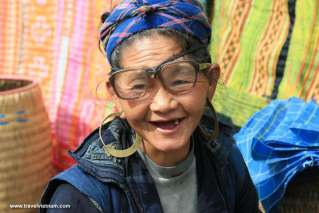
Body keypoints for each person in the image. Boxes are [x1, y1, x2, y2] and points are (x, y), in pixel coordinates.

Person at [40, 0, 260, 212]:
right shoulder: (81, 198)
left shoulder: (226, 160)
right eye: (139, 86)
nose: (163, 104)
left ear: (210, 81)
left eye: (180, 81)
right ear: (116, 95)